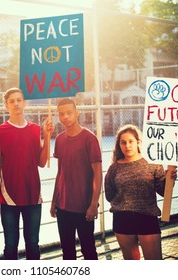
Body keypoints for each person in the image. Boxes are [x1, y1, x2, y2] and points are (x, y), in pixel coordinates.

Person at [0, 87, 54, 260]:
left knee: (32, 243)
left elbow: (41, 162)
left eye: (19, 100)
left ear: (25, 103)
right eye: (12, 101)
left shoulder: (35, 129)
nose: (16, 104)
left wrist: (47, 137)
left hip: (32, 195)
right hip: (8, 196)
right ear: (6, 106)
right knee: (11, 244)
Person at [104, 124, 177, 260]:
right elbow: (109, 195)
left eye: (131, 141)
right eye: (123, 142)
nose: (127, 146)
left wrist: (169, 180)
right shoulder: (114, 168)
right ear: (119, 145)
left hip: (147, 218)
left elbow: (164, 192)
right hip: (122, 219)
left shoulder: (153, 164)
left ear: (138, 142)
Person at [50, 98, 102, 260]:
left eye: (69, 113)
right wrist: (54, 201)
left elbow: (98, 173)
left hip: (84, 207)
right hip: (63, 207)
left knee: (88, 250)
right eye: (62, 114)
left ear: (77, 112)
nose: (65, 117)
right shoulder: (59, 139)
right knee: (67, 252)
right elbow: (60, 173)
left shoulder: (89, 138)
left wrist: (94, 204)